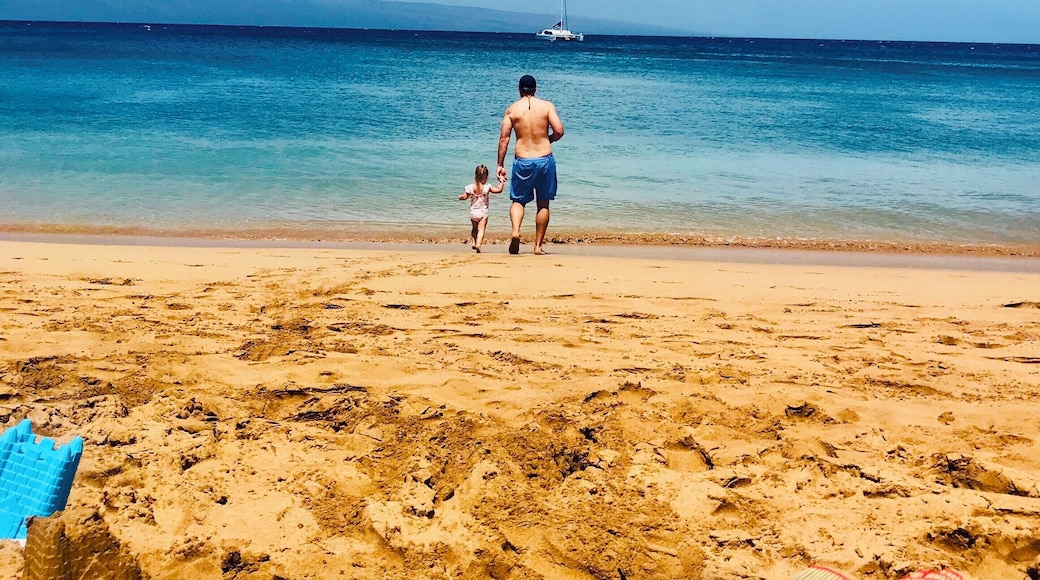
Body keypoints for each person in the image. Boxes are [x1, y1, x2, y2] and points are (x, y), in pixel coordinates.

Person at [497, 74, 564, 255]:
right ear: (535, 89)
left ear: (519, 89)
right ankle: (537, 246)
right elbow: (559, 131)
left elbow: (504, 139)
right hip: (544, 159)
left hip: (523, 160)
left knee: (518, 200)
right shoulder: (547, 106)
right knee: (543, 203)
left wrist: (500, 164)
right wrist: (548, 139)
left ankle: (516, 231)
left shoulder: (512, 110)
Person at [459, 164, 505, 253]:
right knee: (481, 229)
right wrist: (502, 182)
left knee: (474, 229)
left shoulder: (470, 187)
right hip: (483, 213)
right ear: (486, 177)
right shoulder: (487, 187)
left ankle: (474, 242)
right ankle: (478, 244)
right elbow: (499, 190)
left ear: (475, 176)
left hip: (473, 213)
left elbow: (465, 196)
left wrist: (461, 197)